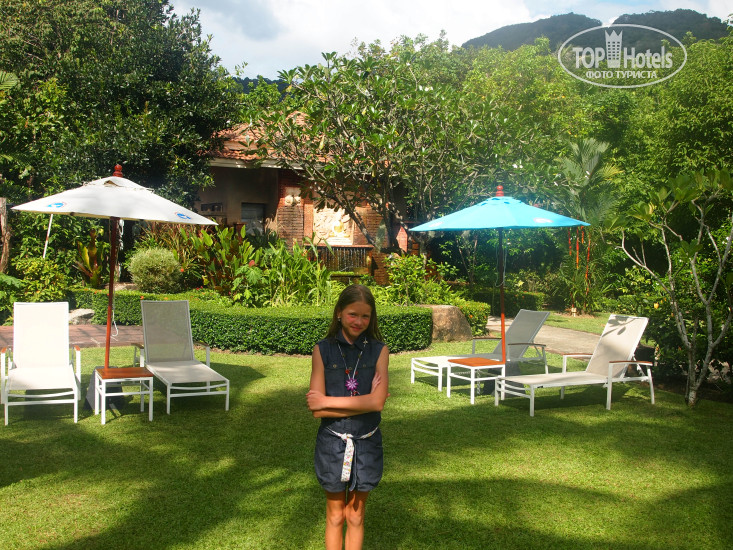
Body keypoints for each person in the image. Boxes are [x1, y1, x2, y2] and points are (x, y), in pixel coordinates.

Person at [307, 284, 389, 550]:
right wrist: (366, 402)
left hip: (366, 443)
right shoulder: (322, 350)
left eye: (365, 316)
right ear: (339, 312)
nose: (359, 321)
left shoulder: (380, 350)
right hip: (332, 443)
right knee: (335, 515)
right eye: (353, 314)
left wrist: (327, 401)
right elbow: (316, 410)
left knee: (355, 515)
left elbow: (378, 403)